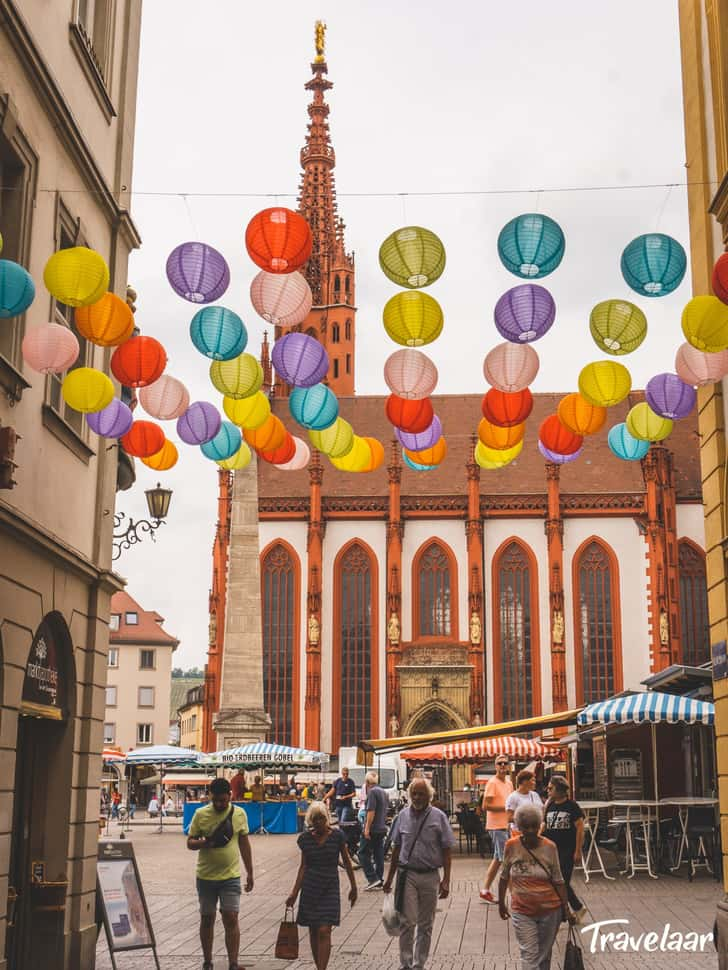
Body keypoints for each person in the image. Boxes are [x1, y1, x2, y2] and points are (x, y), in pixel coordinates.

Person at [383, 778, 455, 970]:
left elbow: (447, 850)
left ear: (429, 796)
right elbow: (396, 849)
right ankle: (405, 964)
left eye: (421, 793)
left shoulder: (439, 817)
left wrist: (446, 879)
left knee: (426, 924)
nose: (417, 797)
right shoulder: (402, 816)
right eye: (413, 793)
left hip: (431, 875)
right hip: (408, 875)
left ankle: (419, 964)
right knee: (408, 921)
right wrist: (389, 878)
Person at [187, 777, 254, 970]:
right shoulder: (201, 814)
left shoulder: (239, 814)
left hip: (231, 877)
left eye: (223, 800)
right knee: (207, 918)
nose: (219, 804)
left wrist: (250, 872)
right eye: (215, 800)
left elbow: (244, 844)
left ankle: (233, 963)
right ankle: (207, 962)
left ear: (229, 796)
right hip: (206, 877)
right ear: (210, 796)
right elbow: (190, 843)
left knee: (231, 917)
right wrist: (205, 842)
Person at [499, 803, 574, 970]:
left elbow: (559, 880)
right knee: (529, 955)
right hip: (522, 910)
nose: (531, 830)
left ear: (540, 824)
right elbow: (504, 877)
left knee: (544, 956)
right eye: (526, 827)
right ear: (519, 827)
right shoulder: (511, 846)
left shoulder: (550, 847)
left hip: (550, 910)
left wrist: (566, 908)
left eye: (534, 826)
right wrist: (501, 903)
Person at [286, 801, 357, 970]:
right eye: (315, 819)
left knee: (324, 930)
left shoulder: (337, 836)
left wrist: (354, 887)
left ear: (327, 818)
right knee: (313, 929)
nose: (318, 822)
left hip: (330, 887)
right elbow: (303, 866)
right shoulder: (305, 839)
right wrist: (294, 893)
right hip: (310, 888)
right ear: (310, 820)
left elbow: (347, 862)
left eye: (321, 818)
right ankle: (319, 966)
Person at [541, 775, 585, 921]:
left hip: (567, 850)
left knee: (562, 881)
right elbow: (544, 826)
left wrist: (578, 850)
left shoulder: (572, 806)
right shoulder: (549, 805)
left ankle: (564, 913)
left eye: (550, 788)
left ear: (559, 789)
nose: (548, 791)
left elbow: (580, 828)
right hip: (551, 851)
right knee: (557, 881)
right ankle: (576, 908)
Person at [479, 756, 513, 902]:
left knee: (498, 859)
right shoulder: (492, 783)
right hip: (496, 826)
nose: (503, 765)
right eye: (500, 763)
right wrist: (506, 808)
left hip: (506, 825)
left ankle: (485, 890)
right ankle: (515, 894)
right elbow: (485, 806)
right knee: (507, 860)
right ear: (495, 766)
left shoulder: (509, 783)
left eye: (505, 763)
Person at [359, 771, 388, 890]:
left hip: (373, 828)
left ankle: (372, 878)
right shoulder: (383, 792)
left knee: (362, 853)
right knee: (378, 854)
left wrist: (366, 829)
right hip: (382, 827)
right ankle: (379, 879)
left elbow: (371, 812)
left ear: (367, 782)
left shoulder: (372, 792)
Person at [506, 770, 543, 835]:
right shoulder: (513, 797)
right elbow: (509, 818)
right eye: (533, 780)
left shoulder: (535, 795)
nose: (535, 783)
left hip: (536, 832)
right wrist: (526, 820)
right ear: (524, 781)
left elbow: (542, 810)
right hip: (519, 833)